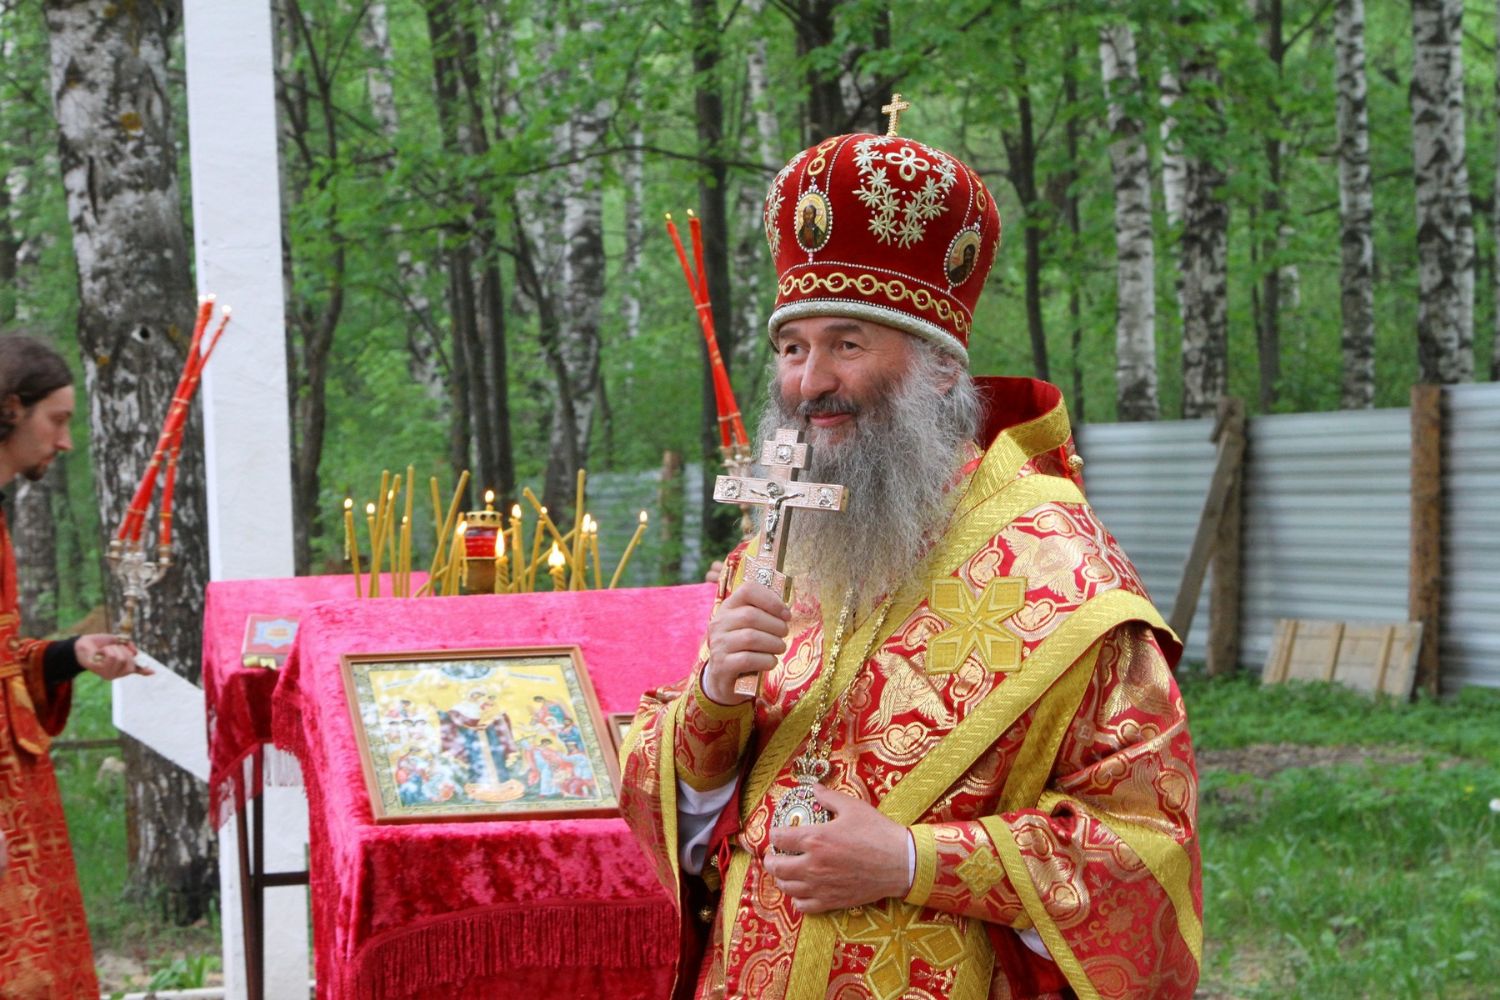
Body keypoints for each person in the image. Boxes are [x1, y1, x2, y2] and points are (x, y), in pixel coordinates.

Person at [620, 122, 1201, 999]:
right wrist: (711, 700)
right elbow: (685, 818)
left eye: (847, 343)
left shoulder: (1062, 572)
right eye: (792, 347)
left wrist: (907, 859)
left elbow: (1147, 850)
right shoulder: (777, 548)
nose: (809, 382)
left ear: (937, 369)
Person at [0, 333, 147, 999]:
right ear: (10, 409)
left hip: (19, 793)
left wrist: (71, 654)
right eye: (56, 420)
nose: (64, 442)